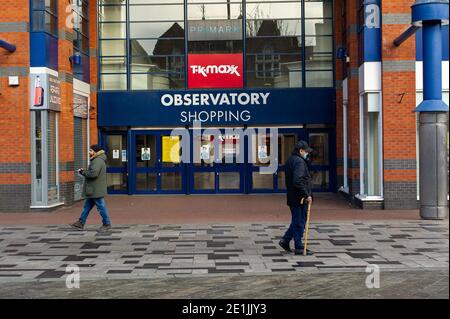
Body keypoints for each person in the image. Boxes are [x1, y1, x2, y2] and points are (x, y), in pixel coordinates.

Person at [279, 140, 314, 255]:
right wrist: (306, 195)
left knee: (296, 220)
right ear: (301, 151)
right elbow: (297, 180)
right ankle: (298, 246)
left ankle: (285, 240)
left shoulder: (290, 160)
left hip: (293, 196)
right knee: (299, 222)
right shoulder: (299, 162)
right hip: (299, 198)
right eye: (306, 151)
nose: (307, 154)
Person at [70, 144, 112, 232]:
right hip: (93, 189)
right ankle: (80, 223)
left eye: (90, 150)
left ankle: (107, 224)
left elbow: (93, 173)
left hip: (95, 189)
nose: (89, 152)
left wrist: (83, 172)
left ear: (95, 152)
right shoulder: (98, 160)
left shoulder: (97, 161)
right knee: (87, 207)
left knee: (101, 207)